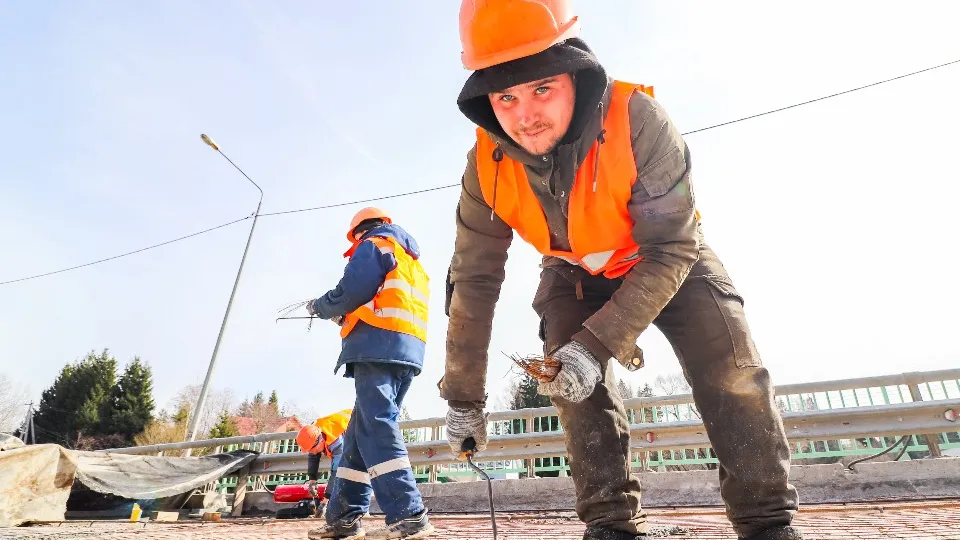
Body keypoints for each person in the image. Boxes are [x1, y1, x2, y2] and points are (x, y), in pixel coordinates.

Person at [440, 2, 803, 539]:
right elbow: (473, 279)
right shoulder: (485, 166)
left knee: (731, 369)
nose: (524, 116)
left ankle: (768, 522)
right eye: (506, 98)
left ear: (576, 76)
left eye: (542, 89)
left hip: (667, 258)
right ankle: (610, 525)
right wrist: (464, 399)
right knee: (572, 385)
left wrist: (598, 343)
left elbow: (671, 248)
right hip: (573, 272)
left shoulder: (638, 120)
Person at [304, 207, 435, 539]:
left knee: (376, 426)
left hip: (378, 346)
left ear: (357, 233)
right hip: (406, 349)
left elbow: (352, 290)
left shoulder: (375, 244)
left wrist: (321, 307)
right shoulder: (410, 260)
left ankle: (409, 513)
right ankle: (342, 519)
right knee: (360, 436)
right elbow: (384, 298)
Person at [295, 408, 353, 512]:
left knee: (353, 472)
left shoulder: (337, 442)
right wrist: (312, 480)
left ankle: (359, 510)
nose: (311, 452)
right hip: (348, 427)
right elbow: (313, 455)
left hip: (362, 428)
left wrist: (324, 502)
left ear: (320, 441)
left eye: (312, 449)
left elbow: (337, 473)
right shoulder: (314, 432)